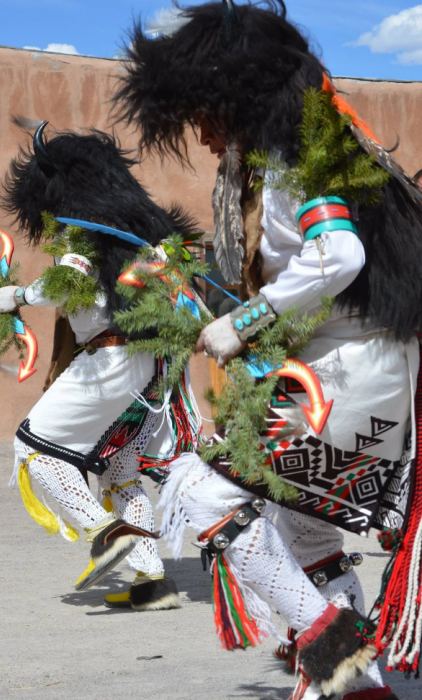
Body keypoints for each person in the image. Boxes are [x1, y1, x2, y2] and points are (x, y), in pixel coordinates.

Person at [114, 1, 422, 696]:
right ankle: (352, 678)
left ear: (234, 94)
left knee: (196, 491)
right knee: (303, 534)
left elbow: (336, 255)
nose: (196, 131)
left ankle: (338, 664)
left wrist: (243, 321)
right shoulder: (304, 148)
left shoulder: (291, 156)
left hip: (349, 371)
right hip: (361, 370)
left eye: (201, 110)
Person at [0, 124, 200, 611]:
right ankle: (152, 580)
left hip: (111, 359)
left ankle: (106, 533)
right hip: (152, 366)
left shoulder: (84, 229)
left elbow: (71, 280)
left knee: (33, 447)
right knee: (120, 471)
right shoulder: (136, 233)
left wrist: (19, 295)